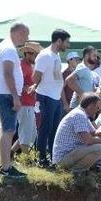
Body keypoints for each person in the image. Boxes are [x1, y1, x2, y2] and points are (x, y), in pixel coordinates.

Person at [0, 22, 30, 178]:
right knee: (9, 131)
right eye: (26, 35)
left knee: (8, 131)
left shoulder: (5, 46)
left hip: (4, 93)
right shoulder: (8, 48)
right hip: (6, 94)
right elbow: (8, 73)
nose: (27, 38)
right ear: (19, 33)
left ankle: (6, 166)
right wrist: (15, 96)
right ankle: (6, 168)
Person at [33, 29, 71, 168]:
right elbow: (35, 77)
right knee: (45, 128)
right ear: (59, 41)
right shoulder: (45, 56)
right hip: (45, 96)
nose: (68, 45)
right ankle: (41, 158)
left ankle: (52, 158)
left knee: (54, 129)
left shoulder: (55, 55)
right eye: (67, 42)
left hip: (55, 98)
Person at [52, 94, 101, 172]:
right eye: (97, 107)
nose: (98, 110)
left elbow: (95, 132)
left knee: (100, 144)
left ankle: (84, 169)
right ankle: (76, 172)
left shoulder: (83, 114)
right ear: (91, 105)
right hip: (63, 159)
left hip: (70, 155)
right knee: (99, 148)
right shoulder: (79, 115)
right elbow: (88, 140)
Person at [12, 41, 42, 156]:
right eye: (36, 55)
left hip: (29, 104)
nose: (37, 57)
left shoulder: (28, 66)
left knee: (30, 133)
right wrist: (31, 89)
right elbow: (18, 84)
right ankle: (27, 160)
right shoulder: (23, 66)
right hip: (25, 104)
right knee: (26, 134)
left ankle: (11, 153)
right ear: (28, 53)